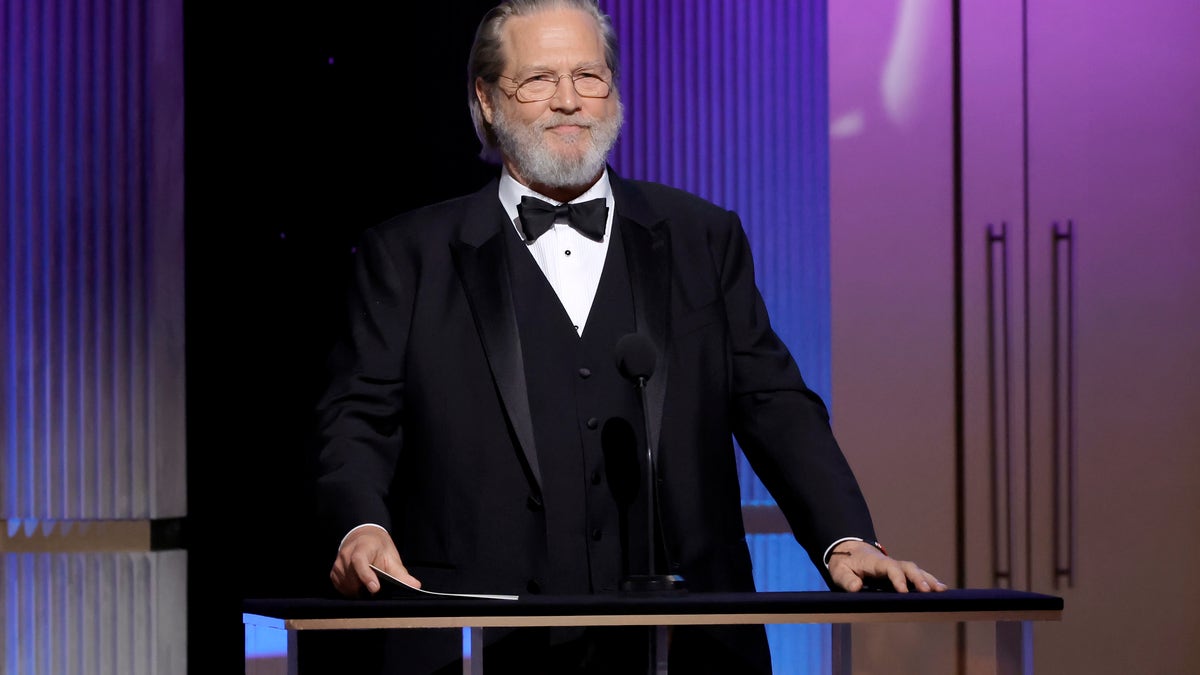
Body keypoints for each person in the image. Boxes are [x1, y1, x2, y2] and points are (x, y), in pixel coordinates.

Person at [314, 0, 946, 672]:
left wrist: (843, 537)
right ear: (487, 100)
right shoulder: (409, 255)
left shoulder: (703, 237)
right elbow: (355, 419)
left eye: (589, 76)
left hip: (688, 640)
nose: (568, 101)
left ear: (614, 90)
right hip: (482, 638)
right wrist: (362, 525)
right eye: (538, 80)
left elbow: (776, 402)